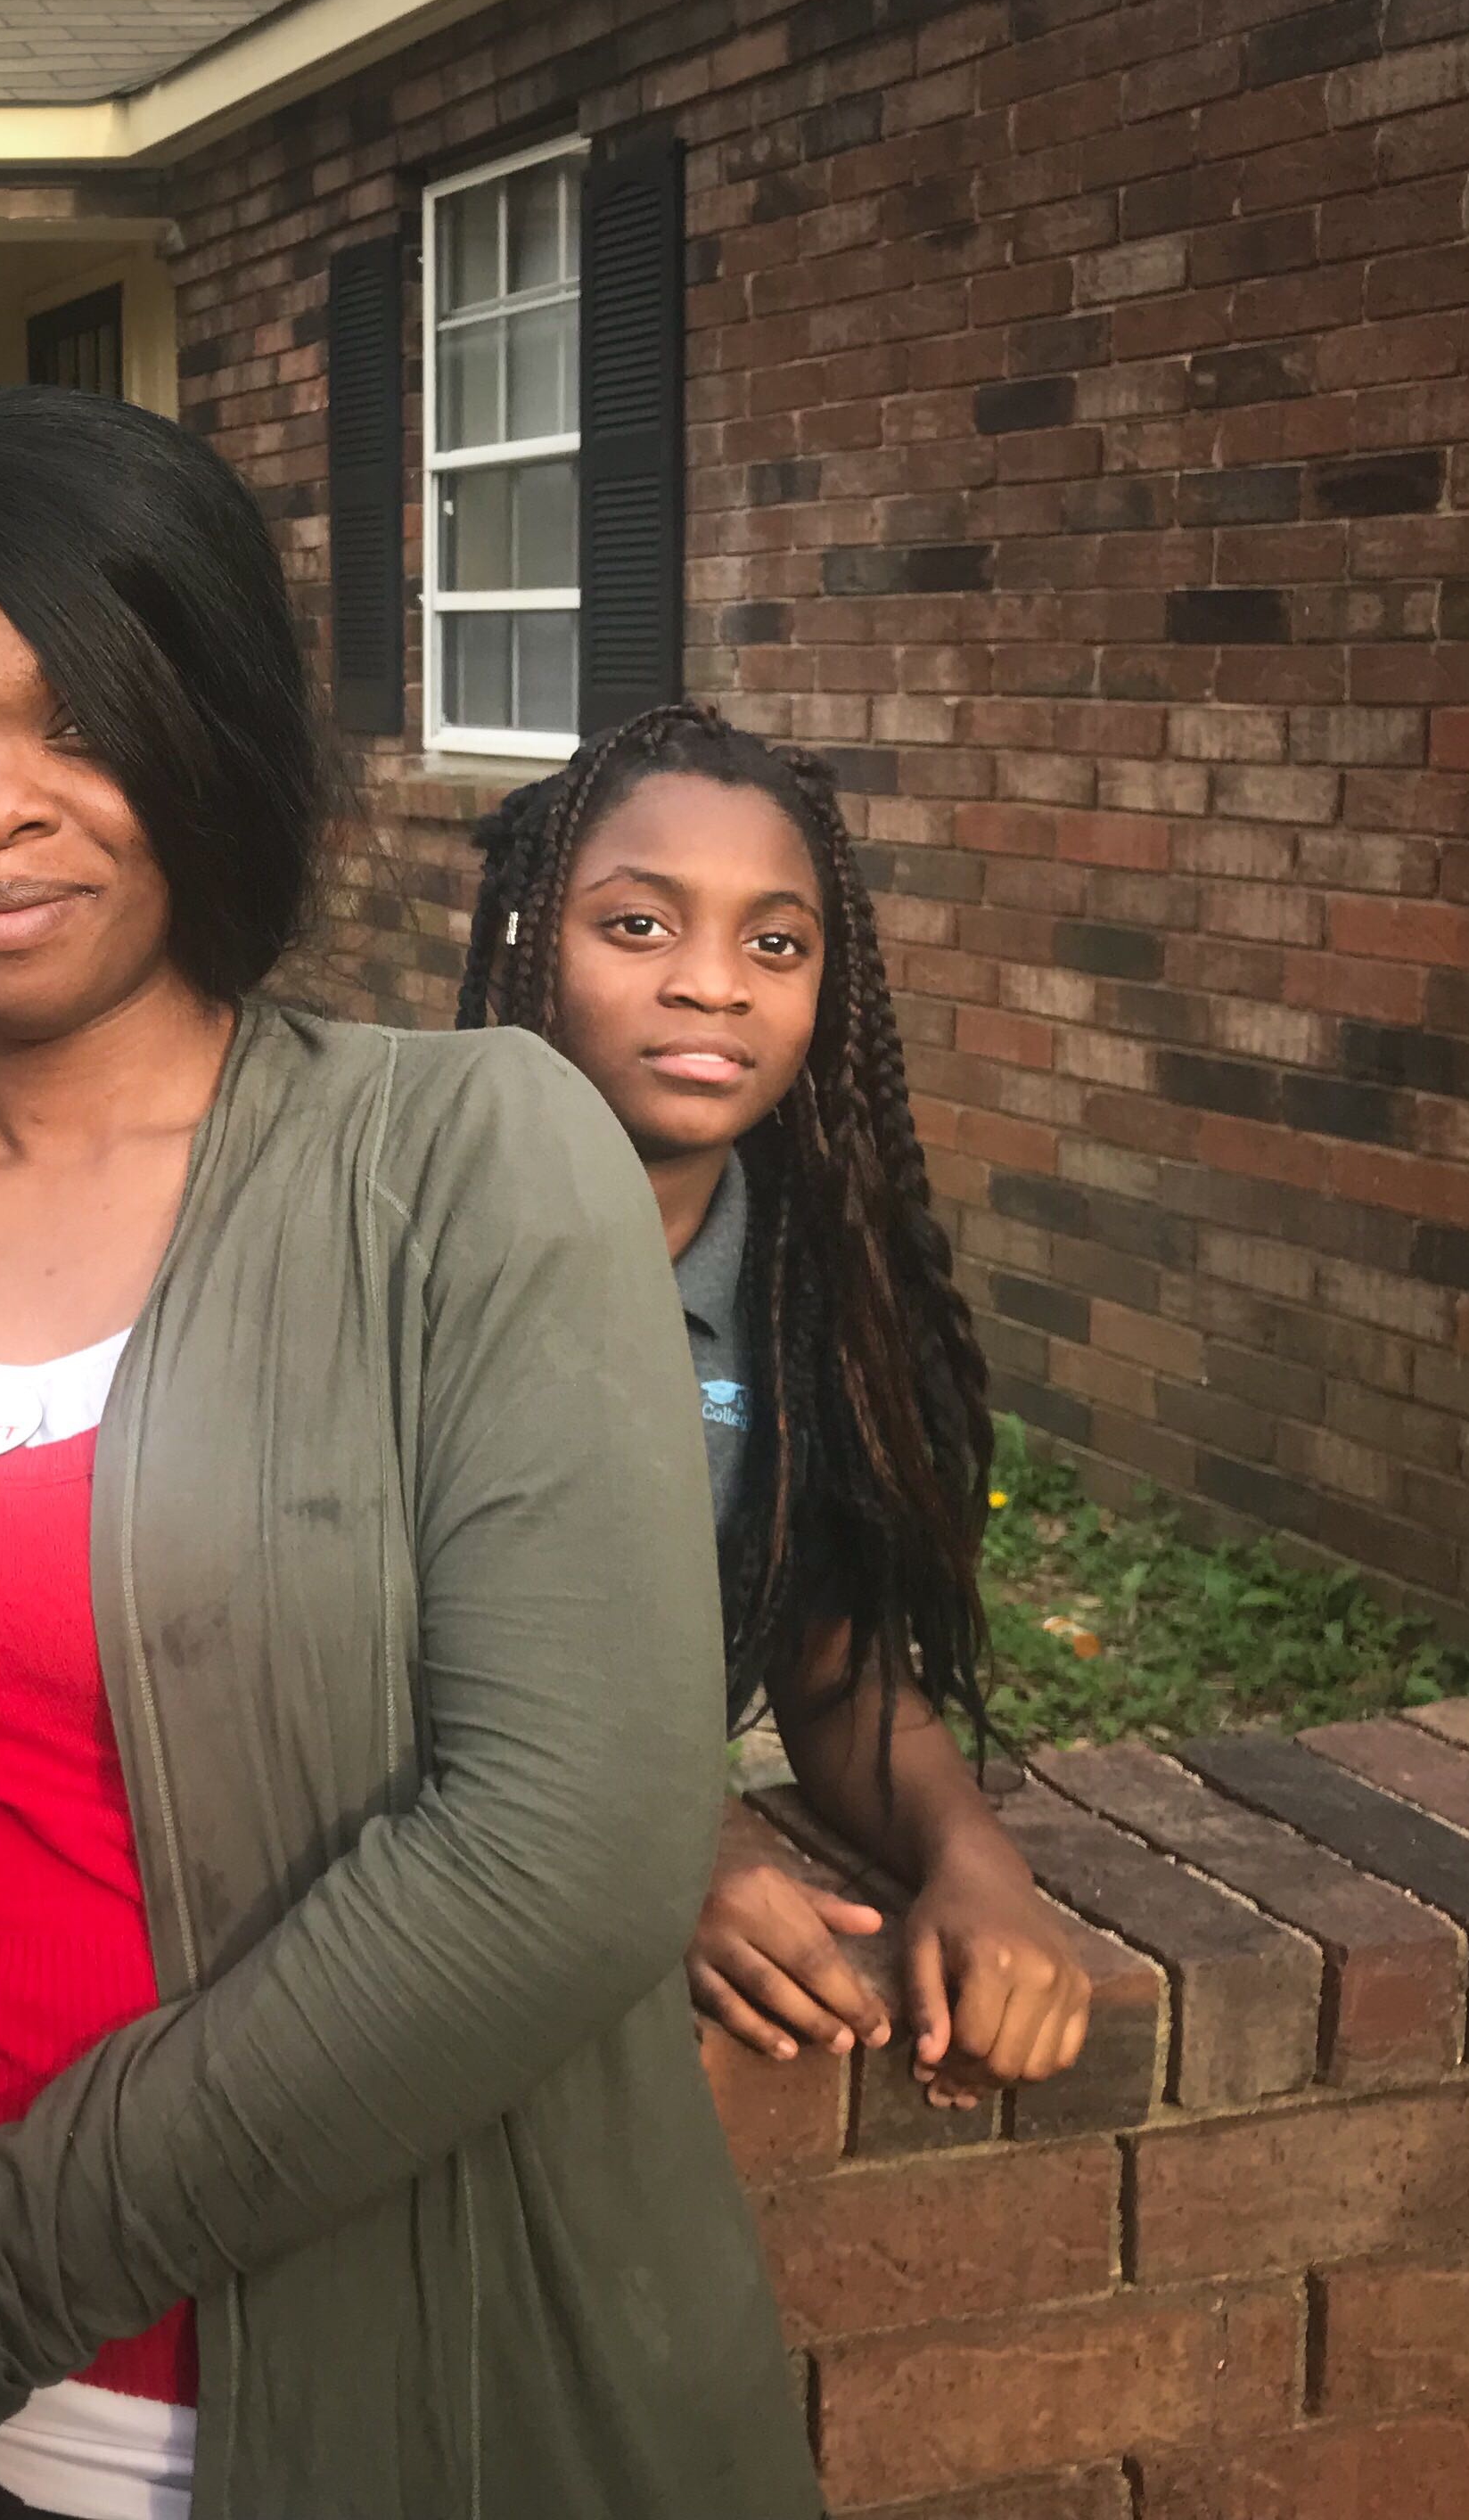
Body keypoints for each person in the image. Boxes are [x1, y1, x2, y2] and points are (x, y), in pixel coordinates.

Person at [0, 387, 814, 2520]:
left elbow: (566, 1852)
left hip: (381, 2409)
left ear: (212, 725)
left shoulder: (468, 1155)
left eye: (79, 720)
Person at [455, 703, 1088, 2107]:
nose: (713, 985)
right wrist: (654, 1855)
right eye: (637, 927)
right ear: (529, 945)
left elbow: (835, 1667)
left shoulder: (809, 1300)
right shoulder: (401, 1237)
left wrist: (979, 1868)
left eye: (774, 943)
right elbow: (321, 1676)